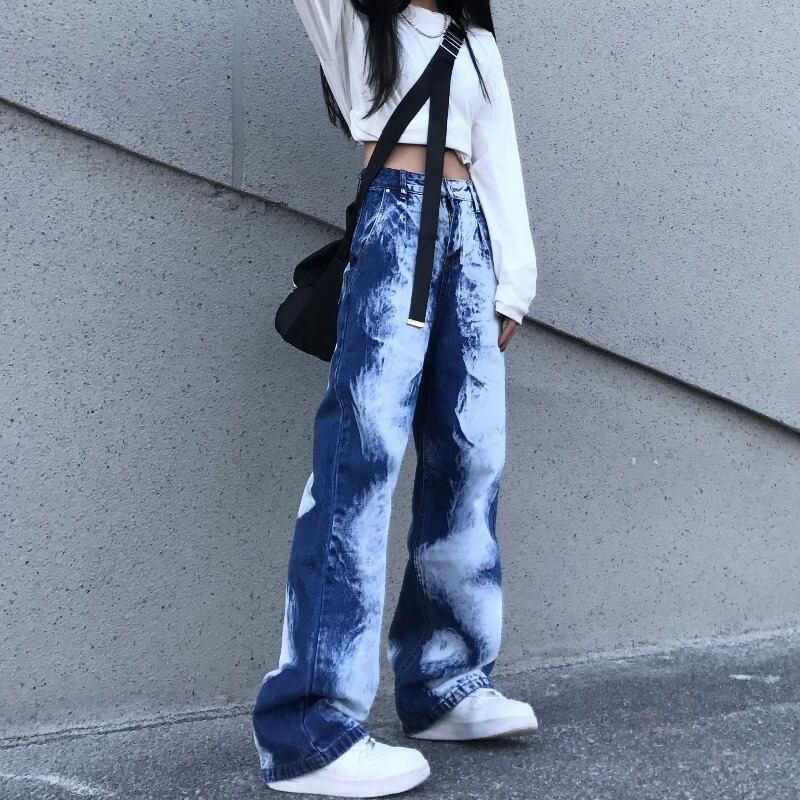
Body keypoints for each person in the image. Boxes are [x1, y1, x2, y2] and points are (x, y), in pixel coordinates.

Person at [251, 1, 539, 796]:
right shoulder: (355, 22)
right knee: (361, 458)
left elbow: (499, 155)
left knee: (471, 457)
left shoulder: (474, 41)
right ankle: (308, 728)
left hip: (470, 240)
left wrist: (512, 283)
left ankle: (444, 679)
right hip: (394, 229)